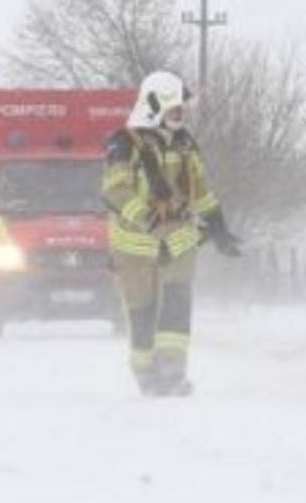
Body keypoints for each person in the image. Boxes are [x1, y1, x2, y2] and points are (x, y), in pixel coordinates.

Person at [102, 71, 242, 396]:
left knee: (178, 300)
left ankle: (173, 370)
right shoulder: (123, 143)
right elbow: (115, 191)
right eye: (174, 109)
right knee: (142, 313)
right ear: (153, 107)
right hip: (134, 247)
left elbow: (199, 189)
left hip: (177, 242)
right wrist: (150, 222)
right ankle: (145, 372)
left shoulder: (184, 142)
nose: (181, 115)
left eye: (182, 109)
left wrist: (217, 224)